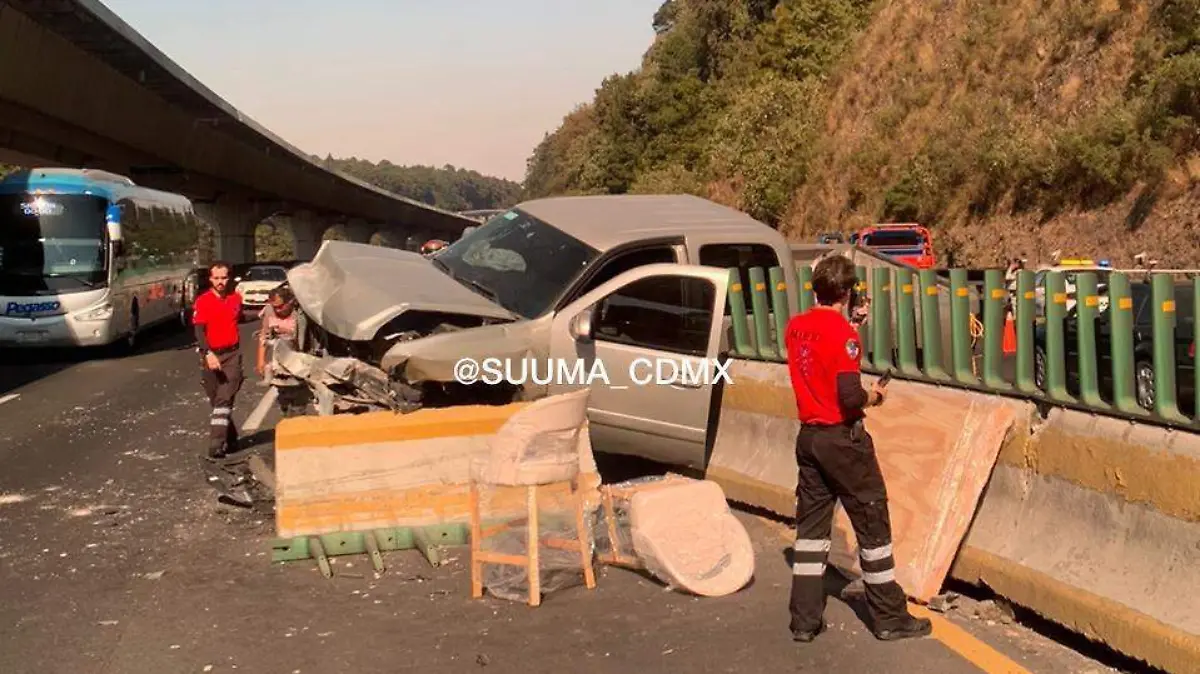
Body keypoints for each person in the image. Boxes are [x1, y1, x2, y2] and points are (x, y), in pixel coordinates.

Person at [783, 253, 932, 643]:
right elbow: (849, 396)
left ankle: (804, 621)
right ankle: (889, 617)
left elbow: (821, 352)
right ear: (848, 292)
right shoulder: (844, 336)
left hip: (809, 439)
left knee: (811, 532)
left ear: (816, 288)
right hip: (843, 440)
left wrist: (851, 325)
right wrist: (874, 397)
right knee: (872, 524)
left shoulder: (796, 327)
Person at [192, 260, 245, 464]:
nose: (220, 282)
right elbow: (199, 330)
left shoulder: (235, 299)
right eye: (216, 278)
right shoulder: (203, 301)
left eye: (224, 277)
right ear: (210, 279)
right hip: (211, 355)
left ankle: (216, 444)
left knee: (224, 399)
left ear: (229, 278)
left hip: (232, 355)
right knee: (216, 402)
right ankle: (231, 438)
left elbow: (240, 318)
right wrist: (207, 353)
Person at [255, 285, 309, 417]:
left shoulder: (300, 313)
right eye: (275, 307)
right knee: (284, 401)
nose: (277, 310)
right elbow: (264, 336)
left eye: (281, 306)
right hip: (279, 362)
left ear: (290, 302)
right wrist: (261, 360)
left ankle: (297, 419)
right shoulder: (269, 311)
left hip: (299, 359)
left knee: (298, 402)